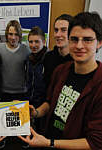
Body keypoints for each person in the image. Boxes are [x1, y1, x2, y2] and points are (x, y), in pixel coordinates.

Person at [19, 12, 102, 149]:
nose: (79, 45)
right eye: (74, 39)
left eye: (87, 40)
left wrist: (49, 143)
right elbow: (51, 102)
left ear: (99, 43)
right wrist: (36, 112)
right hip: (49, 139)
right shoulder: (61, 71)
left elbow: (95, 142)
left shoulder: (99, 84)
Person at [0, 20, 30, 102]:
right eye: (10, 34)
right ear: (6, 35)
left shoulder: (26, 50)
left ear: (20, 35)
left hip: (22, 92)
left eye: (16, 34)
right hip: (3, 93)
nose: (13, 37)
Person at [26, 26, 48, 134]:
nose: (33, 45)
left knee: (42, 131)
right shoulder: (28, 59)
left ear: (44, 42)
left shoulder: (49, 59)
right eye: (30, 42)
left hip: (44, 104)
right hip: (30, 99)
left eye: (36, 42)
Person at [43, 14, 73, 86]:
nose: (58, 34)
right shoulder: (48, 57)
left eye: (63, 30)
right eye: (56, 30)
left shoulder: (77, 60)